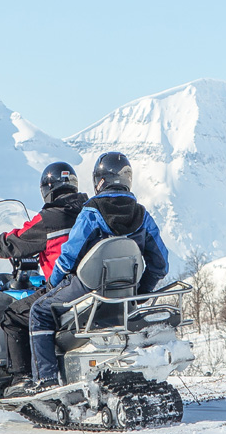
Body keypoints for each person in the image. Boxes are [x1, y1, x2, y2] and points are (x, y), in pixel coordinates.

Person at [26, 152, 169, 392]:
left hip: (87, 289)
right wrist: (141, 292)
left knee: (39, 311)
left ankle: (46, 380)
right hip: (125, 292)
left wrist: (52, 283)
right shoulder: (142, 215)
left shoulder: (92, 211)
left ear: (99, 181)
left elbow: (69, 255)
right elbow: (161, 263)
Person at [0, 162, 88, 396]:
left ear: (47, 189)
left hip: (63, 286)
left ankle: (22, 379)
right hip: (90, 284)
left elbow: (15, 242)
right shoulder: (88, 212)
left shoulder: (48, 219)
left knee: (13, 316)